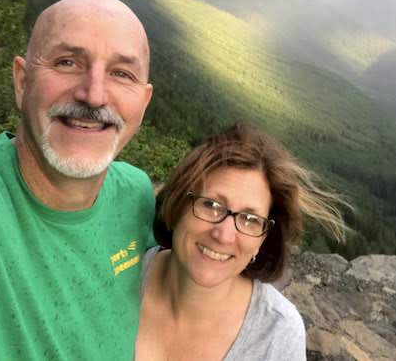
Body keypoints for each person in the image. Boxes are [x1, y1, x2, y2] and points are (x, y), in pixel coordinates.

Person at [0, 0, 155, 359]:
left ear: (144, 102)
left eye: (122, 73)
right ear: (22, 81)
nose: (93, 95)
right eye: (67, 62)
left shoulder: (137, 195)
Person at [136, 122, 348, 360]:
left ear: (262, 239)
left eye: (250, 219)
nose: (224, 235)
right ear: (177, 205)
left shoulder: (276, 334)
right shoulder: (122, 274)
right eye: (211, 205)